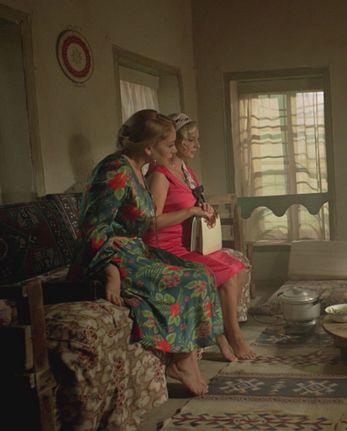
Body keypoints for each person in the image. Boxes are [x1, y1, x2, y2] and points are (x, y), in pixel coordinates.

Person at [67, 109, 222, 396]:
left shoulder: (139, 169)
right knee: (192, 282)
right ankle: (182, 362)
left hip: (134, 250)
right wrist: (110, 271)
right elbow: (93, 230)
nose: (174, 150)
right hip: (107, 256)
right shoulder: (115, 170)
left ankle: (185, 358)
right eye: (170, 144)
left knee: (203, 272)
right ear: (149, 147)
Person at [144, 113, 256, 361]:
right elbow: (152, 223)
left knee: (238, 268)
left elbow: (192, 202)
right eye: (191, 140)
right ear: (176, 142)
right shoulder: (159, 175)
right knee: (227, 275)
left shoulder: (186, 171)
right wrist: (190, 212)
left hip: (189, 243)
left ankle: (221, 334)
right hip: (167, 248)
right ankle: (232, 336)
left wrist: (204, 209)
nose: (197, 145)